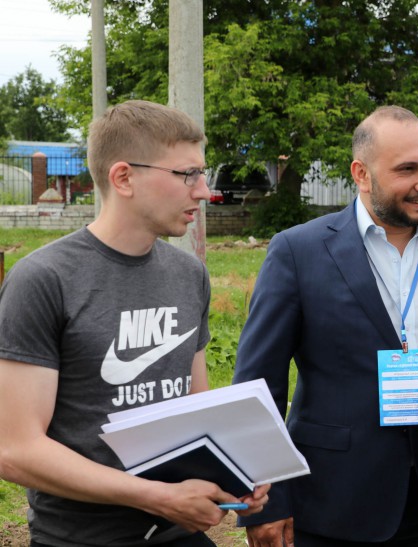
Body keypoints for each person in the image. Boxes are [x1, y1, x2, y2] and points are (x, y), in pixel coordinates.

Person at [233, 105, 418, 546]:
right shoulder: (298, 252)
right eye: (407, 169)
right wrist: (268, 500)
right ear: (361, 174)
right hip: (330, 504)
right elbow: (258, 385)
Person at [0, 100, 268, 546]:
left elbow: (196, 411)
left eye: (202, 173)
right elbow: (15, 450)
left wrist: (237, 473)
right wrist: (156, 497)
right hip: (82, 538)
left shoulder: (189, 274)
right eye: (188, 174)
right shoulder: (44, 279)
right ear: (123, 177)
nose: (204, 191)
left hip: (177, 533)